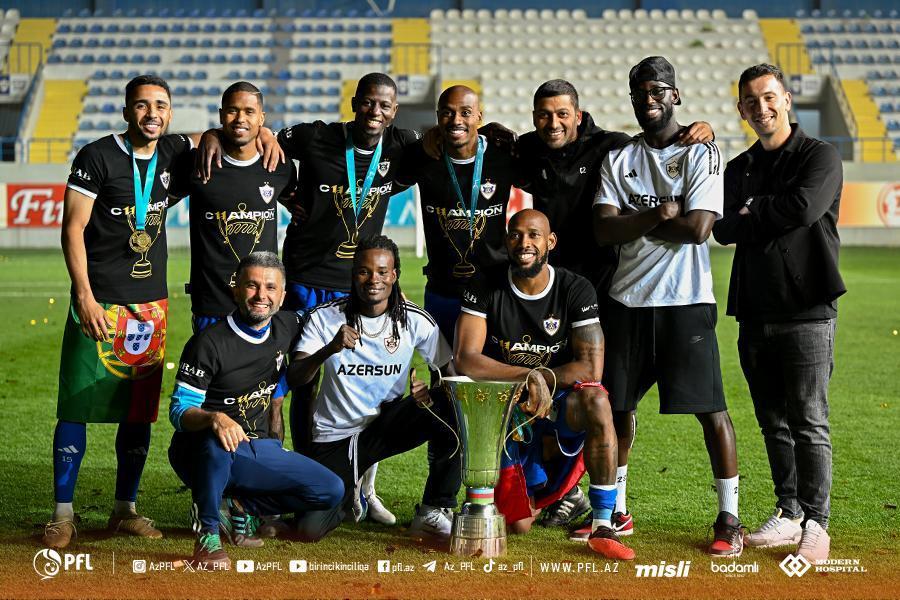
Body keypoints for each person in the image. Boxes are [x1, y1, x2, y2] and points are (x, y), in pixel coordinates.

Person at [514, 80, 714, 531]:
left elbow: (659, 143)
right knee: (550, 390)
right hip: (549, 290)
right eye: (544, 114)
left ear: (578, 114)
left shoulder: (612, 146)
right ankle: (561, 491)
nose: (553, 123)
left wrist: (702, 129)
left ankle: (600, 497)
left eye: (562, 114)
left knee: (602, 397)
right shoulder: (527, 149)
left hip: (605, 289)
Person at [592, 57, 743, 557]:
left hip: (686, 302)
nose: (648, 98)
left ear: (675, 95)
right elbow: (603, 230)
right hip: (626, 302)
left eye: (657, 89)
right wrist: (659, 213)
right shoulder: (619, 158)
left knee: (712, 411)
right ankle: (616, 509)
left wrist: (633, 220)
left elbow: (699, 228)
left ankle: (729, 518)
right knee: (618, 409)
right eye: (639, 91)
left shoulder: (702, 151)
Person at [46, 75, 198, 549]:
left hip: (150, 306)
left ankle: (124, 509)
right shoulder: (97, 156)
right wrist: (83, 295)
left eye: (161, 105)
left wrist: (266, 135)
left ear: (170, 112)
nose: (153, 113)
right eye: (142, 105)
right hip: (99, 301)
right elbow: (73, 228)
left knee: (138, 411)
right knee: (76, 405)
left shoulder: (173, 151)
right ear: (126, 110)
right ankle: (62, 515)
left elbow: (211, 137)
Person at [712, 63, 845, 563]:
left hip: (807, 309)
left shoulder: (820, 155)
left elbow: (805, 209)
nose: (761, 107)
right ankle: (789, 512)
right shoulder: (738, 167)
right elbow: (723, 228)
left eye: (769, 96)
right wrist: (762, 211)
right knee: (772, 421)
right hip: (754, 309)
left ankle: (817, 523)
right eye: (751, 101)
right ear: (741, 110)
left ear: (786, 99)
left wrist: (754, 210)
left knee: (809, 420)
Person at [454, 209, 634, 560]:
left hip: (560, 400)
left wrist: (545, 379)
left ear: (550, 242)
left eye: (534, 235)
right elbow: (465, 358)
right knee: (519, 525)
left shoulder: (575, 288)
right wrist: (528, 376)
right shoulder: (485, 284)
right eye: (516, 235)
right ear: (506, 241)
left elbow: (591, 368)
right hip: (509, 404)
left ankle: (603, 523)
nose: (524, 243)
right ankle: (560, 495)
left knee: (597, 401)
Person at [168, 252, 344, 568]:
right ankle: (207, 537)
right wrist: (214, 418)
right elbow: (179, 411)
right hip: (201, 453)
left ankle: (241, 507)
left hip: (255, 450)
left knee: (331, 489)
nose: (261, 295)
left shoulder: (286, 325)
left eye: (270, 287)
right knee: (217, 441)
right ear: (235, 289)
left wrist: (389, 296)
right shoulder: (208, 343)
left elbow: (326, 310)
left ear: (282, 296)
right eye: (252, 285)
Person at [287, 235, 460, 543]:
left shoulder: (414, 320)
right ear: (354, 274)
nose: (373, 280)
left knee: (455, 409)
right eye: (364, 271)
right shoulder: (324, 317)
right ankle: (349, 492)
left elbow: (450, 373)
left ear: (394, 275)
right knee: (309, 529)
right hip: (335, 438)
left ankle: (433, 511)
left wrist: (428, 394)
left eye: (382, 272)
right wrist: (330, 348)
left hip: (385, 428)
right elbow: (297, 377)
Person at [395, 85, 524, 344]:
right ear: (438, 116)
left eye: (466, 112)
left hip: (494, 288)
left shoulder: (504, 155)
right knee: (443, 366)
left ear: (479, 116)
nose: (456, 120)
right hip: (443, 289)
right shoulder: (424, 156)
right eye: (447, 113)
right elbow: (382, 183)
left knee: (495, 365)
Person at [169, 81, 297, 333]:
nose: (240, 118)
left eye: (249, 112)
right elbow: (158, 202)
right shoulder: (198, 163)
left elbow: (301, 209)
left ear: (261, 118)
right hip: (212, 305)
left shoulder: (279, 164)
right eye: (232, 110)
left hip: (262, 304)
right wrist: (209, 134)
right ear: (221, 116)